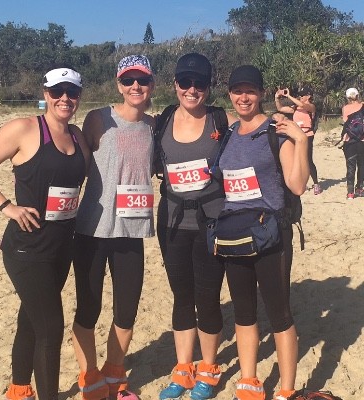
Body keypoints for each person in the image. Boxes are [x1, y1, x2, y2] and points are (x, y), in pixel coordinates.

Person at [0, 68, 89, 400]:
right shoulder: (23, 129)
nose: (65, 98)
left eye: (72, 92)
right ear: (46, 93)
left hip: (62, 247)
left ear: (79, 96)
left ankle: (19, 389)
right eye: (57, 91)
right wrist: (7, 206)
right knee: (51, 330)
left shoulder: (78, 136)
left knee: (31, 321)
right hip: (27, 248)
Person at [219, 65, 309, 400]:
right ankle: (249, 380)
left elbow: (297, 185)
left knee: (279, 314)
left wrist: (301, 140)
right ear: (230, 94)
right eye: (237, 91)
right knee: (243, 313)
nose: (244, 97)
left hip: (271, 234)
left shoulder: (276, 131)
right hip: (234, 235)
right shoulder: (228, 134)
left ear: (260, 93)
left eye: (250, 91)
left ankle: (286, 388)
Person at [71, 55, 155, 400]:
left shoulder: (154, 126)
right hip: (91, 230)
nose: (135, 86)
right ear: (118, 85)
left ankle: (115, 372)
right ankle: (90, 375)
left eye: (142, 80)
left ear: (152, 85)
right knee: (88, 308)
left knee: (127, 311)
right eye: (128, 80)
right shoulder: (98, 118)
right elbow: (73, 167)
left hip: (132, 232)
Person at [156, 52, 238, 400]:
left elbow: (256, 129)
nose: (192, 90)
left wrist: (292, 123)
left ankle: (208, 367)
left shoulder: (222, 119)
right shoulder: (161, 121)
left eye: (199, 83)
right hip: (172, 222)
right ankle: (183, 367)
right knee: (181, 296)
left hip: (212, 223)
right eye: (185, 82)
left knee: (207, 297)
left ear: (209, 86)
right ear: (175, 84)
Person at [275, 85, 321, 195]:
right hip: (295, 135)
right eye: (299, 95)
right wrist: (277, 98)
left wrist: (289, 96)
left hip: (307, 135)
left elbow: (303, 105)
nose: (300, 97)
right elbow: (280, 108)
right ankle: (301, 181)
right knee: (296, 159)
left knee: (308, 160)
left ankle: (316, 183)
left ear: (308, 96)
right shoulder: (295, 108)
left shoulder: (311, 107)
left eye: (302, 95)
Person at [341, 87, 364, 199]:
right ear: (357, 95)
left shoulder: (345, 108)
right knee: (362, 165)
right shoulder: (363, 105)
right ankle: (359, 188)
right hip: (362, 139)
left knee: (350, 166)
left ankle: (350, 192)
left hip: (349, 139)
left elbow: (346, 123)